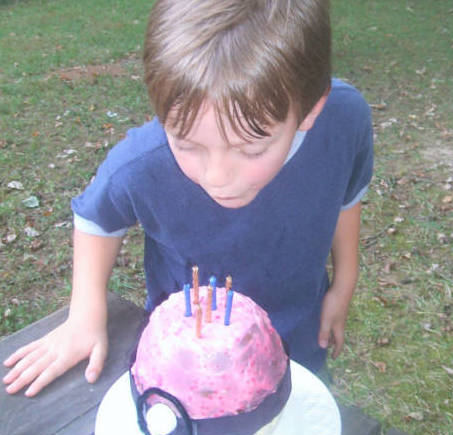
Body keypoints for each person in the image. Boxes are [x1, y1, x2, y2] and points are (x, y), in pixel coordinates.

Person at [3, 0, 373, 396]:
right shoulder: (143, 162)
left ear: (311, 111)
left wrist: (344, 283)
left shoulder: (343, 121)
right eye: (187, 144)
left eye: (250, 150)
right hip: (187, 366)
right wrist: (84, 314)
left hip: (298, 341)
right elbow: (96, 218)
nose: (216, 177)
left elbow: (346, 196)